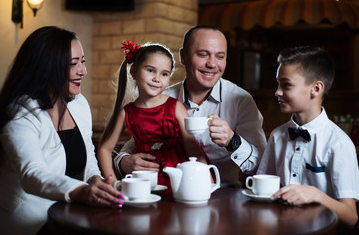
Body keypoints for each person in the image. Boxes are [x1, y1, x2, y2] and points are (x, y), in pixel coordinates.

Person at [0, 26, 123, 235]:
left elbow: (89, 156)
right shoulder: (20, 113)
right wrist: (82, 191)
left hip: (68, 215)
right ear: (46, 67)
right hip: (29, 222)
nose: (83, 70)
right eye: (73, 64)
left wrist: (94, 180)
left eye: (82, 61)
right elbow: (32, 174)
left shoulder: (78, 103)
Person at [114, 25, 267, 187]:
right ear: (183, 56)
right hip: (166, 193)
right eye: (202, 54)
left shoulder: (240, 100)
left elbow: (262, 167)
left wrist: (232, 140)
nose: (212, 64)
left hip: (222, 194)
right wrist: (124, 162)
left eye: (220, 56)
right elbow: (132, 146)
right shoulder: (162, 97)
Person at [257, 46, 359, 228]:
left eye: (286, 85)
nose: (277, 92)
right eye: (278, 84)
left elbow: (351, 217)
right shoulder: (277, 135)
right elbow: (263, 189)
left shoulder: (339, 144)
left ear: (316, 89)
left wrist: (316, 195)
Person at [97, 41, 208, 189]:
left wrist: (204, 177)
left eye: (164, 74)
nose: (157, 78)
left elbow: (192, 146)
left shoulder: (176, 107)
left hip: (177, 178)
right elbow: (104, 149)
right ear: (134, 71)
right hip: (144, 179)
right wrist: (112, 183)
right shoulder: (126, 112)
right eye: (150, 70)